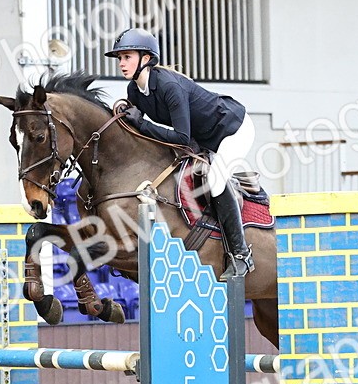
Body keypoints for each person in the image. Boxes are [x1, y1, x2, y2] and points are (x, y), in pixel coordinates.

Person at [105, 28, 256, 278]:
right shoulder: (134, 90)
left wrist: (141, 123)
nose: (121, 63)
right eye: (119, 58)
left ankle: (241, 255)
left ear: (146, 58)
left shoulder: (169, 86)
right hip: (203, 137)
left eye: (127, 57)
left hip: (232, 129)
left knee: (216, 180)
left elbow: (182, 139)